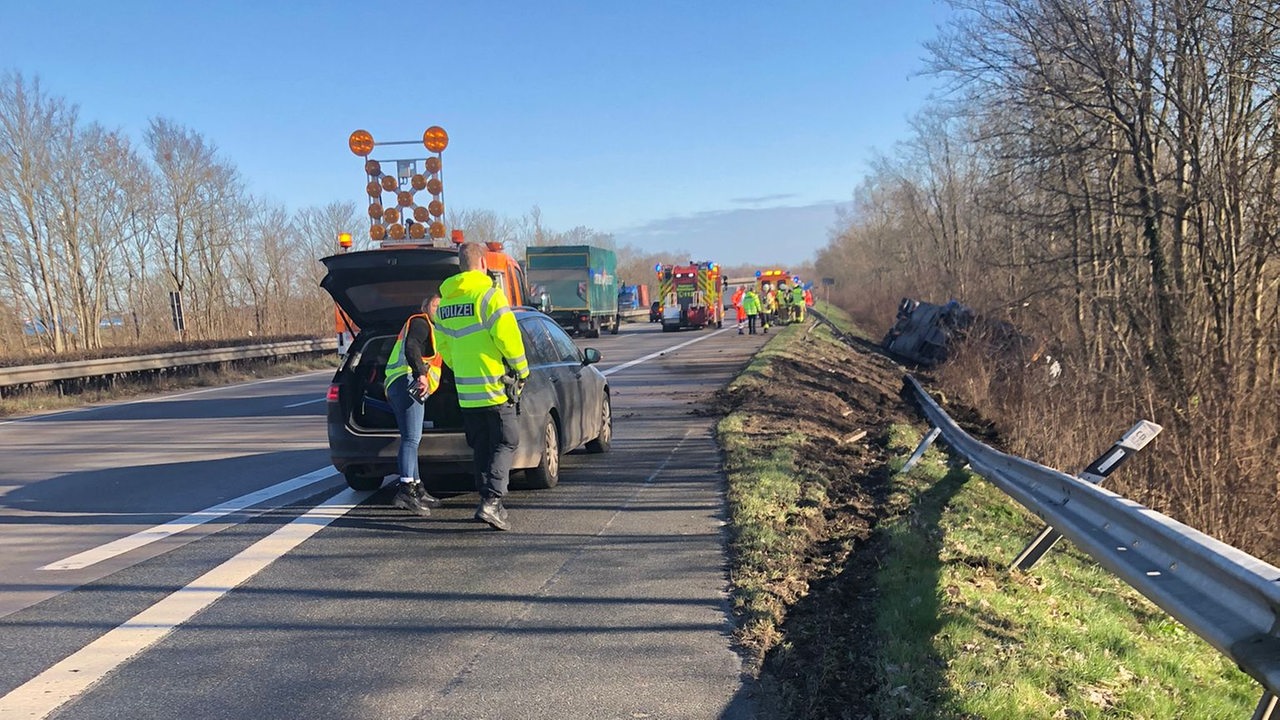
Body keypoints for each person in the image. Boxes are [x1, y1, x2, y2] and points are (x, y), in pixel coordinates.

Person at [432, 243, 530, 531]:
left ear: (460, 266)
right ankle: (492, 501)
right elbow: (508, 339)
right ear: (483, 264)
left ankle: (486, 498)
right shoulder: (489, 297)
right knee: (506, 441)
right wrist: (522, 370)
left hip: (466, 391)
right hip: (495, 386)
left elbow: (443, 347)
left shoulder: (446, 304)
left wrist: (462, 369)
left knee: (482, 446)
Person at [384, 295, 444, 516]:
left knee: (412, 438)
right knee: (411, 439)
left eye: (441, 306)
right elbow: (412, 348)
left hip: (399, 384)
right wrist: (420, 375)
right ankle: (406, 491)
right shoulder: (420, 322)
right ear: (424, 306)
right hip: (407, 381)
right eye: (435, 305)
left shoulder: (436, 330)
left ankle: (417, 488)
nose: (438, 309)